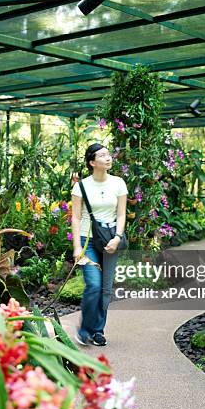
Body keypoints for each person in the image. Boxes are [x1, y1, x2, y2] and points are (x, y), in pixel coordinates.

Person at [71, 143, 127, 346]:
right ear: (92, 162)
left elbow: (121, 213)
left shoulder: (119, 183)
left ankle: (98, 331)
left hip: (111, 238)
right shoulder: (81, 186)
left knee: (105, 288)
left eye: (108, 154)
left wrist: (118, 237)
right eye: (102, 155)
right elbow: (76, 218)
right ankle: (85, 329)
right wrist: (77, 247)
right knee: (93, 285)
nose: (108, 157)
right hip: (88, 240)